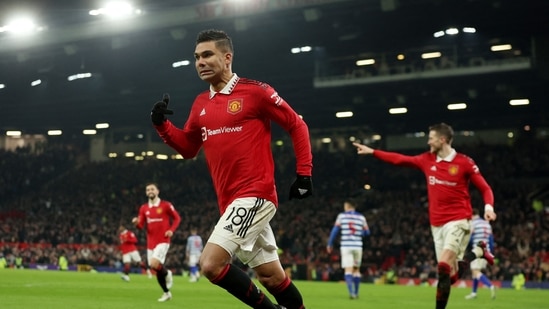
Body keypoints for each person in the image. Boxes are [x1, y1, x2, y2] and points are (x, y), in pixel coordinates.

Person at [150, 29, 313, 309]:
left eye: (207, 55)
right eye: (197, 57)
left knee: (210, 265)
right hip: (230, 202)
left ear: (227, 58)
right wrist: (162, 126)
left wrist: (304, 173)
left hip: (256, 194)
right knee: (272, 277)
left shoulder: (256, 92)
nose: (200, 62)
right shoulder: (201, 103)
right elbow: (189, 148)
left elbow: (296, 124)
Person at [352, 122, 496, 309]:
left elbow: (485, 187)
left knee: (443, 266)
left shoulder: (464, 163)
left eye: (431, 138)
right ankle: (477, 252)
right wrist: (373, 152)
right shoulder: (426, 160)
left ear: (442, 140)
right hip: (436, 225)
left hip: (459, 220)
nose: (428, 142)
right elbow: (400, 159)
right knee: (449, 277)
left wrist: (488, 207)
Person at [132, 183, 181, 302]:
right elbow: (141, 226)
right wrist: (136, 223)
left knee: (154, 264)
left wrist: (171, 230)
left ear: (158, 191)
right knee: (156, 268)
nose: (150, 191)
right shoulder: (144, 208)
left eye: (152, 189)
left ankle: (168, 274)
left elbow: (177, 218)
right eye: (148, 189)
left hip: (163, 240)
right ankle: (166, 292)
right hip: (150, 243)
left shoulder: (166, 205)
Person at [326, 199, 369, 299]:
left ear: (347, 206)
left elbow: (335, 231)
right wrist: (359, 234)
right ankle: (357, 292)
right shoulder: (361, 217)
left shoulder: (342, 216)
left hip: (346, 246)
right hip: (358, 246)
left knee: (348, 269)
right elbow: (367, 232)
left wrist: (329, 244)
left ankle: (351, 293)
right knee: (356, 270)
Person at [465, 208, 496, 300]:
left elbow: (469, 239)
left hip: (478, 250)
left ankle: (490, 286)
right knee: (476, 271)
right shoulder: (487, 224)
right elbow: (491, 241)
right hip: (486, 251)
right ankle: (474, 293)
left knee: (475, 271)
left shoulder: (473, 224)